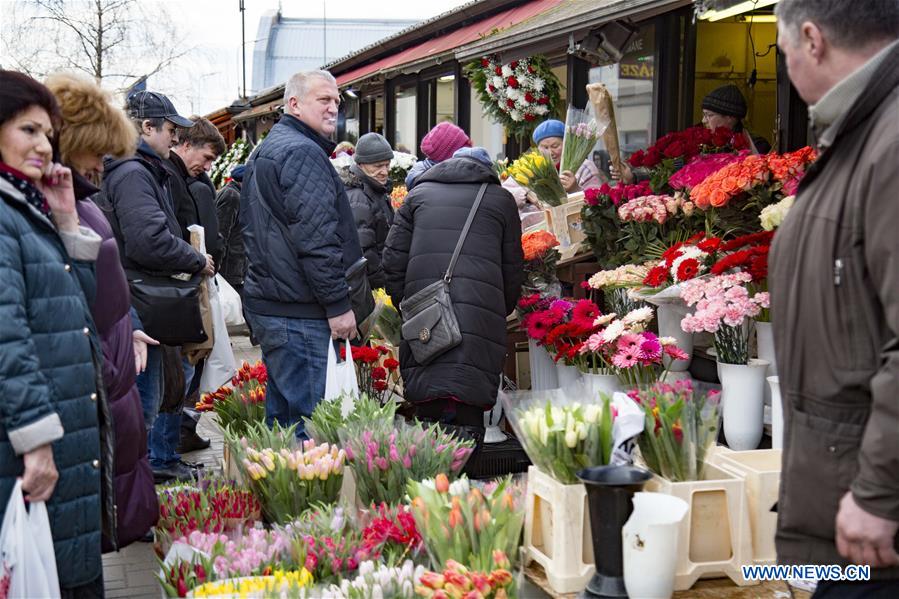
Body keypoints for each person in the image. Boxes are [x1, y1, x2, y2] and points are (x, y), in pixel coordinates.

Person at [770, 1, 899, 596]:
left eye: (784, 47)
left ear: (813, 39)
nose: (787, 63)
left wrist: (879, 491)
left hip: (872, 523)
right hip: (846, 500)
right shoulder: (859, 131)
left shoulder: (888, 141)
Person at [0, 70, 106, 597]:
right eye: (28, 130)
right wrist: (36, 442)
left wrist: (67, 224)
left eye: (48, 133)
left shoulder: (25, 205)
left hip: (62, 428)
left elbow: (73, 311)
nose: (45, 146)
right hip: (30, 446)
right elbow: (7, 338)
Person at [46, 71, 159, 551]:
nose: (102, 161)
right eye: (96, 148)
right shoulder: (55, 204)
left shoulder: (79, 199)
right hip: (98, 377)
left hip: (112, 369)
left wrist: (128, 326)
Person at [240, 70, 364, 439]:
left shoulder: (272, 146)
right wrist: (339, 306)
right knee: (312, 434)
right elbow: (317, 241)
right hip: (299, 313)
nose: (333, 108)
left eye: (337, 101)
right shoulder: (301, 152)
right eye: (323, 100)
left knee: (282, 427)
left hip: (278, 306)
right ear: (294, 104)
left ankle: (280, 496)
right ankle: (310, 499)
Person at [101, 90, 214, 483]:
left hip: (142, 303)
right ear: (147, 127)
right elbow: (148, 241)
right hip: (141, 307)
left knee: (151, 402)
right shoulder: (134, 172)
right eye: (170, 130)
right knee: (143, 408)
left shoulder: (142, 169)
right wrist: (196, 259)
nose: (175, 139)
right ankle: (135, 499)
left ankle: (139, 492)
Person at [383, 146, 524, 449]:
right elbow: (513, 268)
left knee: (428, 400)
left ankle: (427, 479)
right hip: (480, 316)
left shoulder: (417, 196)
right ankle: (463, 485)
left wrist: (410, 307)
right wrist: (499, 308)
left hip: (425, 316)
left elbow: (392, 260)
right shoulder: (501, 200)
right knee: (467, 401)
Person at [613, 85, 771, 183]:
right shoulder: (696, 143)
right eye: (704, 114)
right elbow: (674, 172)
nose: (703, 120)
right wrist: (634, 176)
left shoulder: (757, 145)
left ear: (730, 117)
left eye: (709, 115)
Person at [338, 132, 394, 289]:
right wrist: (382, 284)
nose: (385, 171)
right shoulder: (357, 198)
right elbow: (364, 251)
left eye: (387, 165)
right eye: (378, 166)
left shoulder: (375, 190)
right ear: (361, 164)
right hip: (372, 286)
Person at [404, 121, 471, 188]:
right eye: (462, 148)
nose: (467, 151)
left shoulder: (418, 175)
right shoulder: (454, 178)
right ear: (449, 156)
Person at [216, 164, 247, 293]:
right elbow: (221, 234)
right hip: (228, 271)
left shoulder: (235, 194)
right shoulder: (232, 196)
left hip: (233, 270)